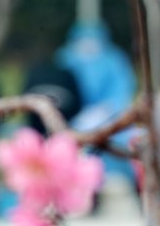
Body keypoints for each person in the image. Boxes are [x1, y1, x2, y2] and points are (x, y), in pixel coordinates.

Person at [57, 22, 137, 184]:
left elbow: (121, 92)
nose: (88, 46)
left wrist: (104, 111)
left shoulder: (114, 60)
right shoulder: (66, 58)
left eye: (93, 42)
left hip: (112, 123)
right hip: (73, 121)